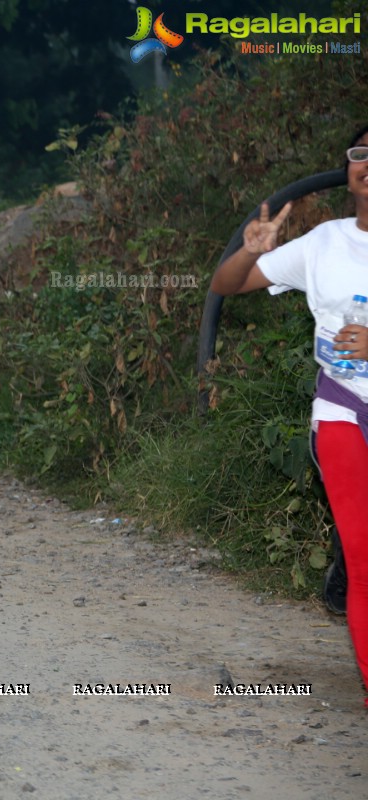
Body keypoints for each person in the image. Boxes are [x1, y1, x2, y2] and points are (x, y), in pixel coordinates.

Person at [210, 123, 368, 708]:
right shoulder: (324, 244)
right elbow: (225, 284)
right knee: (366, 552)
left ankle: (344, 567)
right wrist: (249, 251)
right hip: (343, 411)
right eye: (360, 152)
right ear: (348, 170)